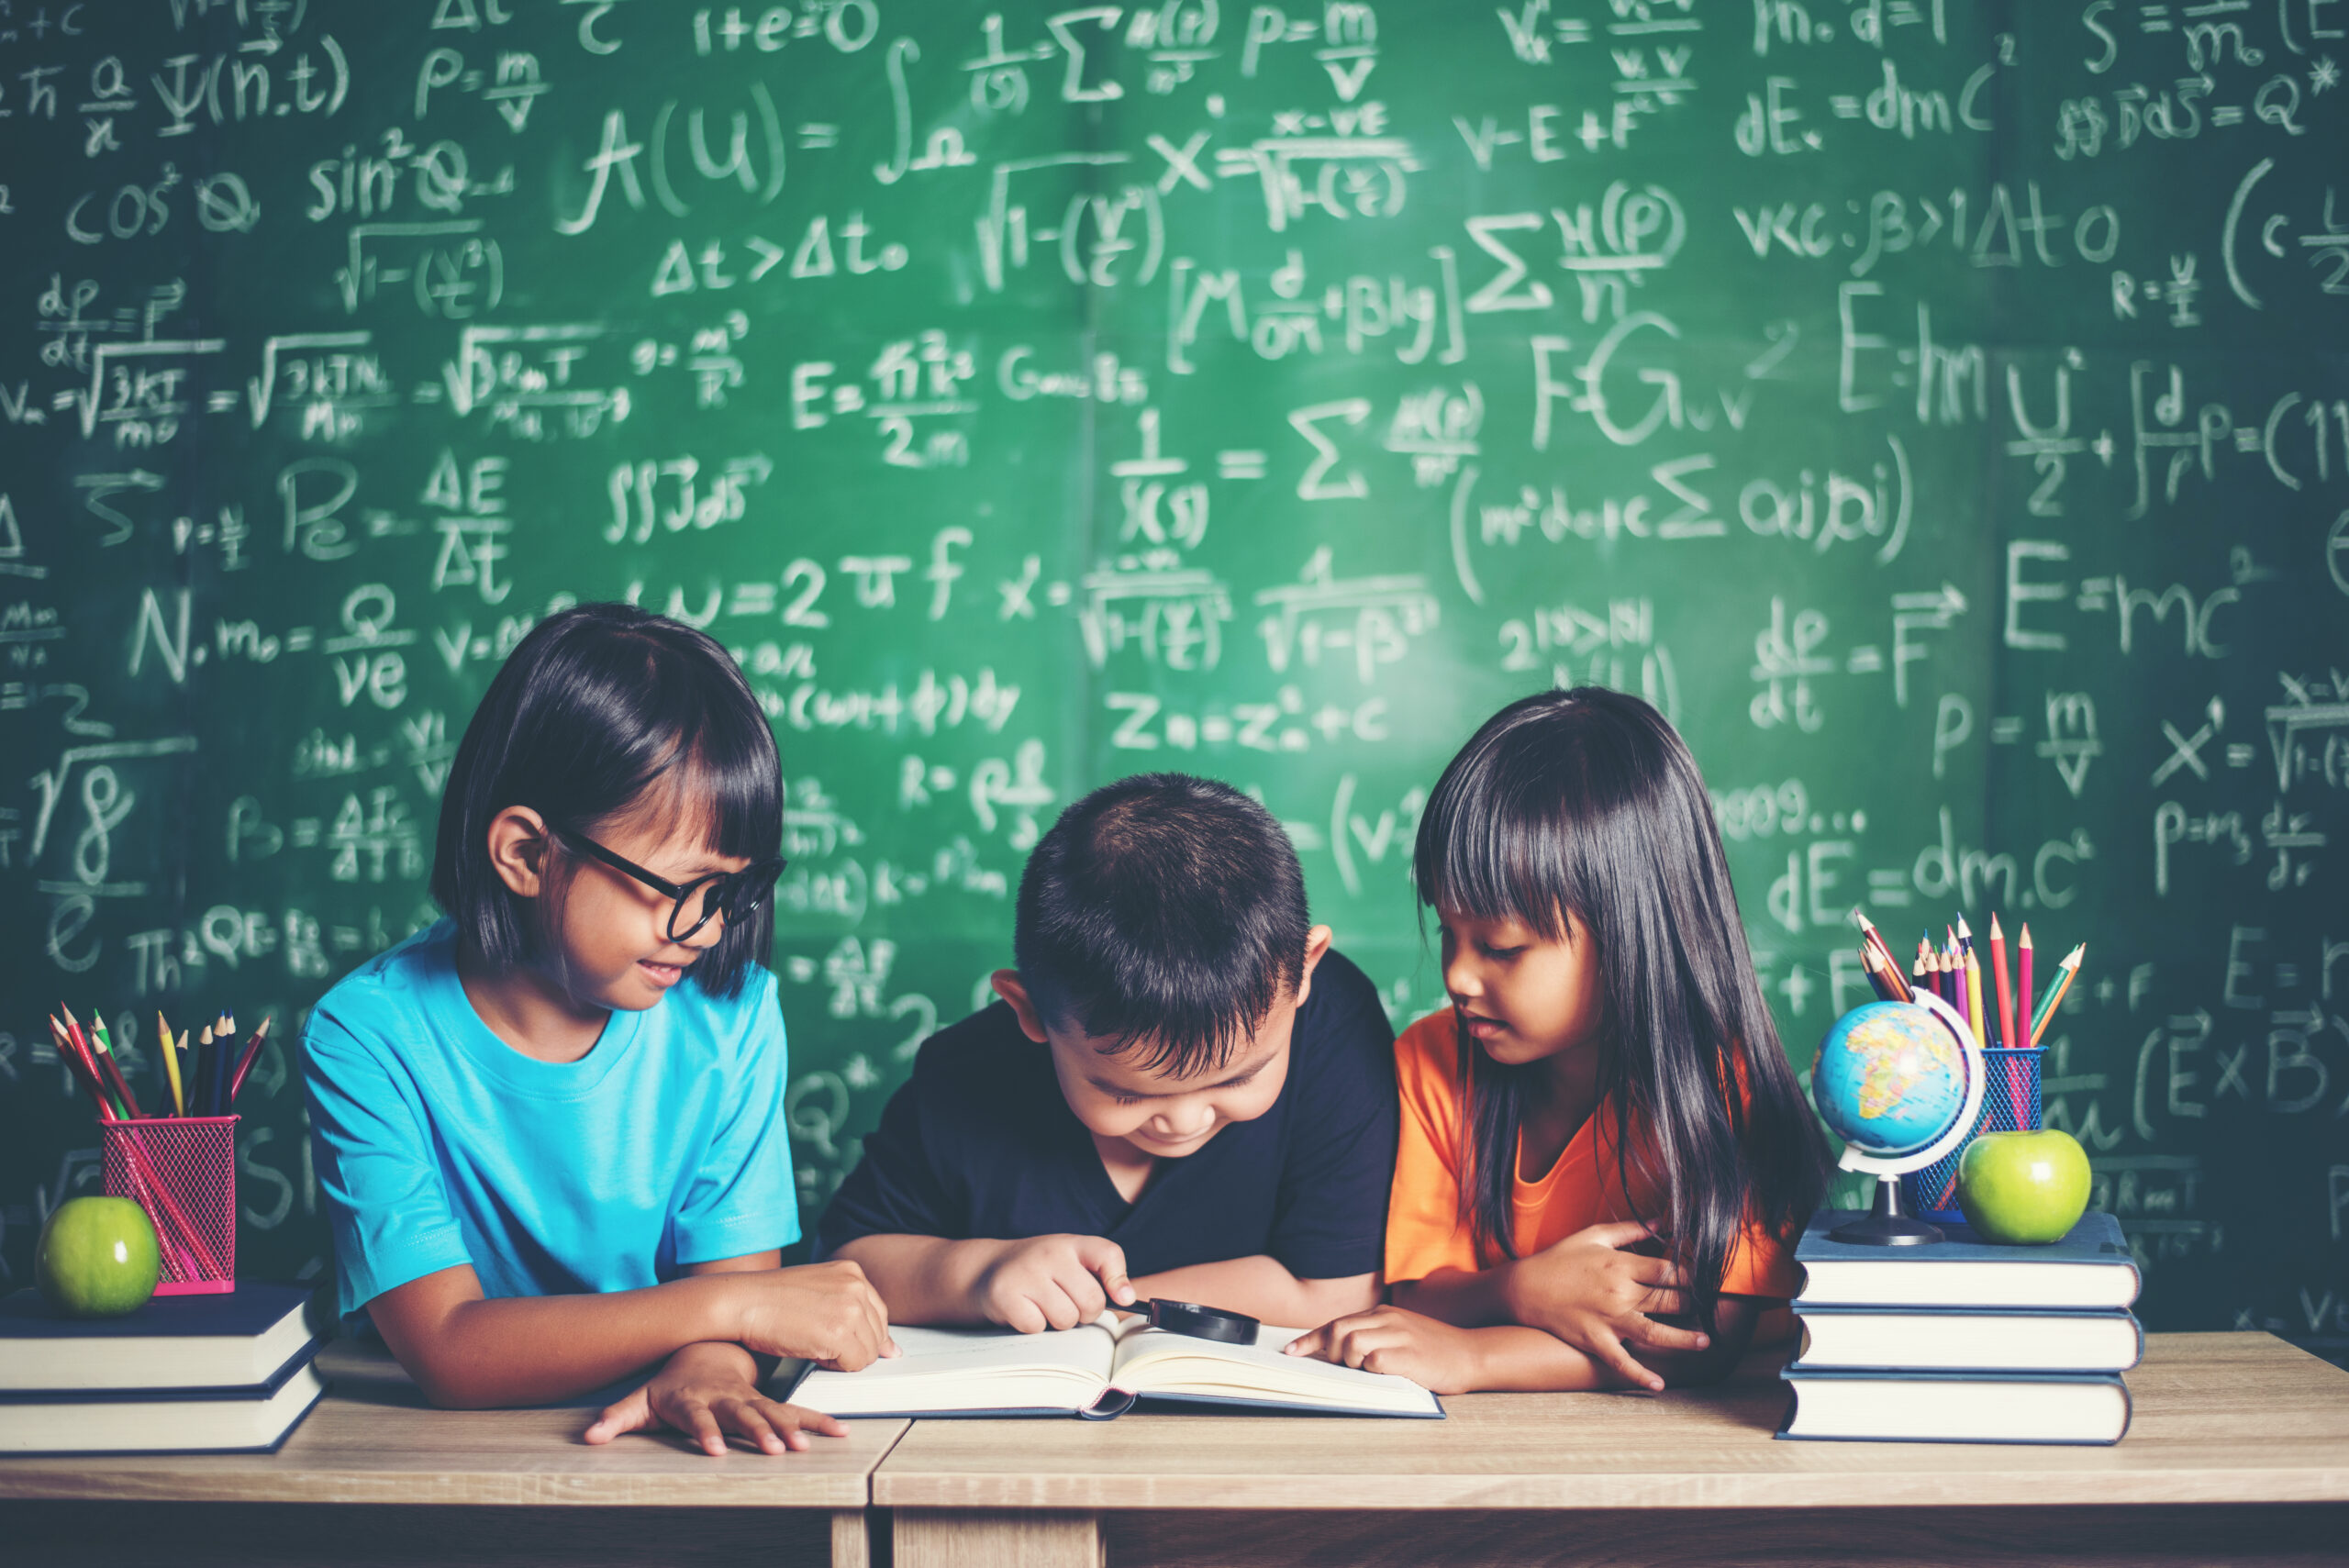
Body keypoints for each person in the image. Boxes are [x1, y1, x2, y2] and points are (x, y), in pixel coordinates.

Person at [303, 603, 892, 1456]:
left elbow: (737, 1289)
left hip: (654, 1456)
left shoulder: (732, 1016)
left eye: (730, 894)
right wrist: (723, 1315)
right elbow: (448, 1349)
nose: (709, 929)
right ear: (527, 854)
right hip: (426, 1462)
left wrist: (712, 1368)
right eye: (680, 888)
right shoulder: (366, 1034)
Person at [1286, 688, 1829, 1394]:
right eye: (1448, 933)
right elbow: (1414, 1293)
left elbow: (1705, 1338)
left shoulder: (1720, 1086)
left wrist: (1478, 1358)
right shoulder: (1430, 1063)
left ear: (1630, 936)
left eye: (1502, 948)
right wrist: (1523, 1290)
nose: (1456, 974)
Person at [818, 773, 1397, 1333]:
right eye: (1129, 1092)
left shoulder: (1332, 1029)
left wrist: (1106, 1307)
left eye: (1238, 1079)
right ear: (1029, 1012)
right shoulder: (963, 1078)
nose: (1184, 1120)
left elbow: (1337, 1294)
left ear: (1304, 972)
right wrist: (977, 1275)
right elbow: (847, 1266)